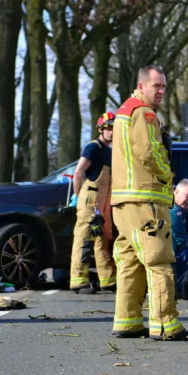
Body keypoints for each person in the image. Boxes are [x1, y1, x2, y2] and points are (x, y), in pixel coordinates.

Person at [110, 65, 188, 341]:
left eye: (164, 87)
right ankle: (165, 324)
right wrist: (167, 174)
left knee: (130, 262)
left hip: (123, 200)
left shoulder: (124, 111)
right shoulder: (143, 113)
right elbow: (149, 151)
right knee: (159, 261)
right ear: (141, 85)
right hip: (146, 198)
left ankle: (128, 321)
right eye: (156, 86)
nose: (161, 91)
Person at [69, 112, 117, 294]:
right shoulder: (93, 148)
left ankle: (107, 280)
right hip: (90, 199)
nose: (111, 132)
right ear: (101, 130)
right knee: (84, 239)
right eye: (108, 128)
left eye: (114, 129)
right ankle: (78, 281)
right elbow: (79, 172)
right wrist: (76, 196)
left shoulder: (109, 151)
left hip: (103, 202)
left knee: (102, 239)